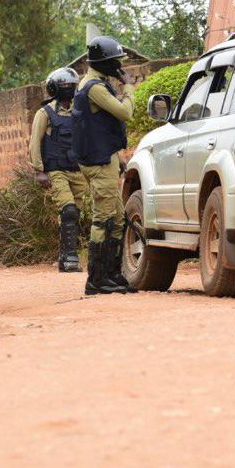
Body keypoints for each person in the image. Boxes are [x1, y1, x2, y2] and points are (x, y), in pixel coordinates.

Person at [72, 36, 135, 295]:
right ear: (105, 64)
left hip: (104, 158)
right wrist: (129, 87)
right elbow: (125, 113)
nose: (120, 67)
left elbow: (98, 127)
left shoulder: (95, 83)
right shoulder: (94, 87)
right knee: (104, 219)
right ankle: (96, 279)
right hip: (98, 163)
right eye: (116, 63)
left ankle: (112, 274)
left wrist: (116, 157)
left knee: (117, 218)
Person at [30, 67, 88, 273]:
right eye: (65, 85)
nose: (68, 88)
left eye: (71, 85)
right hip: (55, 170)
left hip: (77, 170)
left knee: (75, 214)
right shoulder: (44, 113)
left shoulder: (78, 111)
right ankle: (71, 258)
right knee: (68, 209)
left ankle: (64, 257)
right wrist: (39, 170)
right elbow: (35, 142)